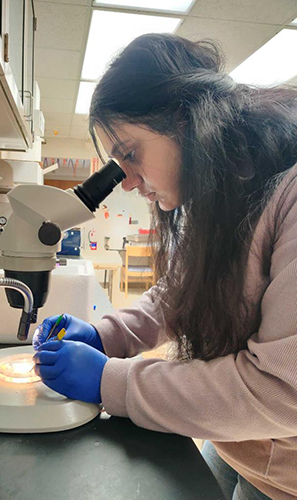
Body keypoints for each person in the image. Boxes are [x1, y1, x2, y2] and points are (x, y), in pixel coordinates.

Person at [33, 34, 297, 500]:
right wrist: (107, 335)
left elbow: (282, 390)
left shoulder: (287, 193)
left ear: (189, 118)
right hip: (235, 437)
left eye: (130, 155)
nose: (128, 182)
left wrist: (109, 381)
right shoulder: (214, 192)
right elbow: (180, 291)